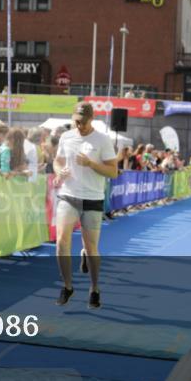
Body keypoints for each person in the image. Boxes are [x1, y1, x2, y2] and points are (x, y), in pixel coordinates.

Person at [53, 102, 118, 309]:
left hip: (92, 199)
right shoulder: (66, 137)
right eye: (76, 121)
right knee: (61, 242)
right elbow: (57, 161)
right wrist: (59, 172)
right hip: (68, 196)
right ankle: (67, 286)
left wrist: (91, 164)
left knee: (91, 249)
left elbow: (113, 172)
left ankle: (94, 288)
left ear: (91, 119)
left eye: (82, 122)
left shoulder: (103, 140)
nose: (79, 125)